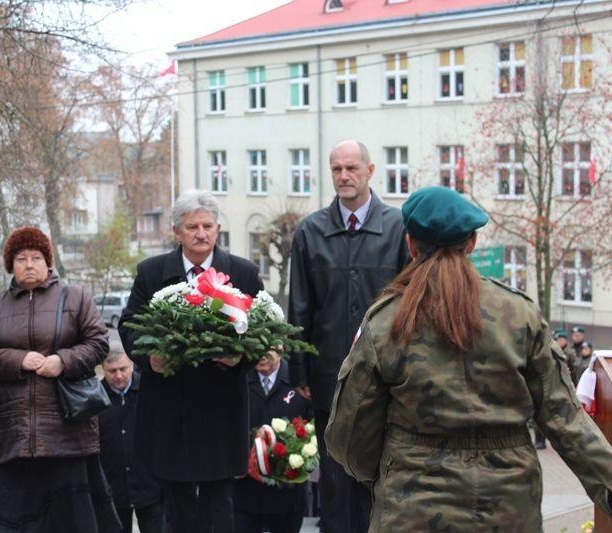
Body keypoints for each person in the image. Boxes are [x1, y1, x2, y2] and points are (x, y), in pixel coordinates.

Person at [325, 186, 612, 531]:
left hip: (412, 510)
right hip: (508, 509)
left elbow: (350, 435)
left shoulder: (385, 321)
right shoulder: (519, 314)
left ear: (411, 244)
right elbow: (567, 423)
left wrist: (388, 471)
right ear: (472, 243)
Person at [119, 190, 264, 533]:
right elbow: (129, 326)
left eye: (208, 226)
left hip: (221, 406)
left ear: (217, 229)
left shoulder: (243, 273)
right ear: (176, 232)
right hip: (171, 408)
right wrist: (149, 358)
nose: (201, 233)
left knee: (220, 502)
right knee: (178, 503)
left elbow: (264, 330)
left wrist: (241, 357)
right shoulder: (152, 273)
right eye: (192, 226)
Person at [287, 139, 408, 533]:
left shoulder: (398, 228)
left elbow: (409, 307)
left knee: (381, 478)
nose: (343, 176)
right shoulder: (311, 231)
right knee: (336, 485)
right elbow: (299, 308)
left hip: (386, 379)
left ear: (370, 171)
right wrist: (300, 374)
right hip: (329, 381)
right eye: (336, 169)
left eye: (351, 168)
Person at [0, 226, 121, 532]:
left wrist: (62, 361)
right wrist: (18, 360)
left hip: (68, 435)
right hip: (15, 437)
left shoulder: (76, 297)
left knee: (72, 523)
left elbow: (98, 343)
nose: (29, 264)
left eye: (36, 257)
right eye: (21, 258)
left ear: (48, 262)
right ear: (10, 265)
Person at [234, 352, 312, 533]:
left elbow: (314, 427)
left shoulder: (299, 380)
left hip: (288, 493)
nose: (261, 354)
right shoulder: (238, 378)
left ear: (281, 345)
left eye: (268, 346)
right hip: (245, 492)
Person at [98, 352, 163, 533]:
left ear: (132, 366)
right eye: (112, 371)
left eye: (123, 369)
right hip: (113, 489)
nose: (118, 375)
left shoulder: (150, 391)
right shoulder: (96, 398)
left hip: (150, 486)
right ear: (103, 369)